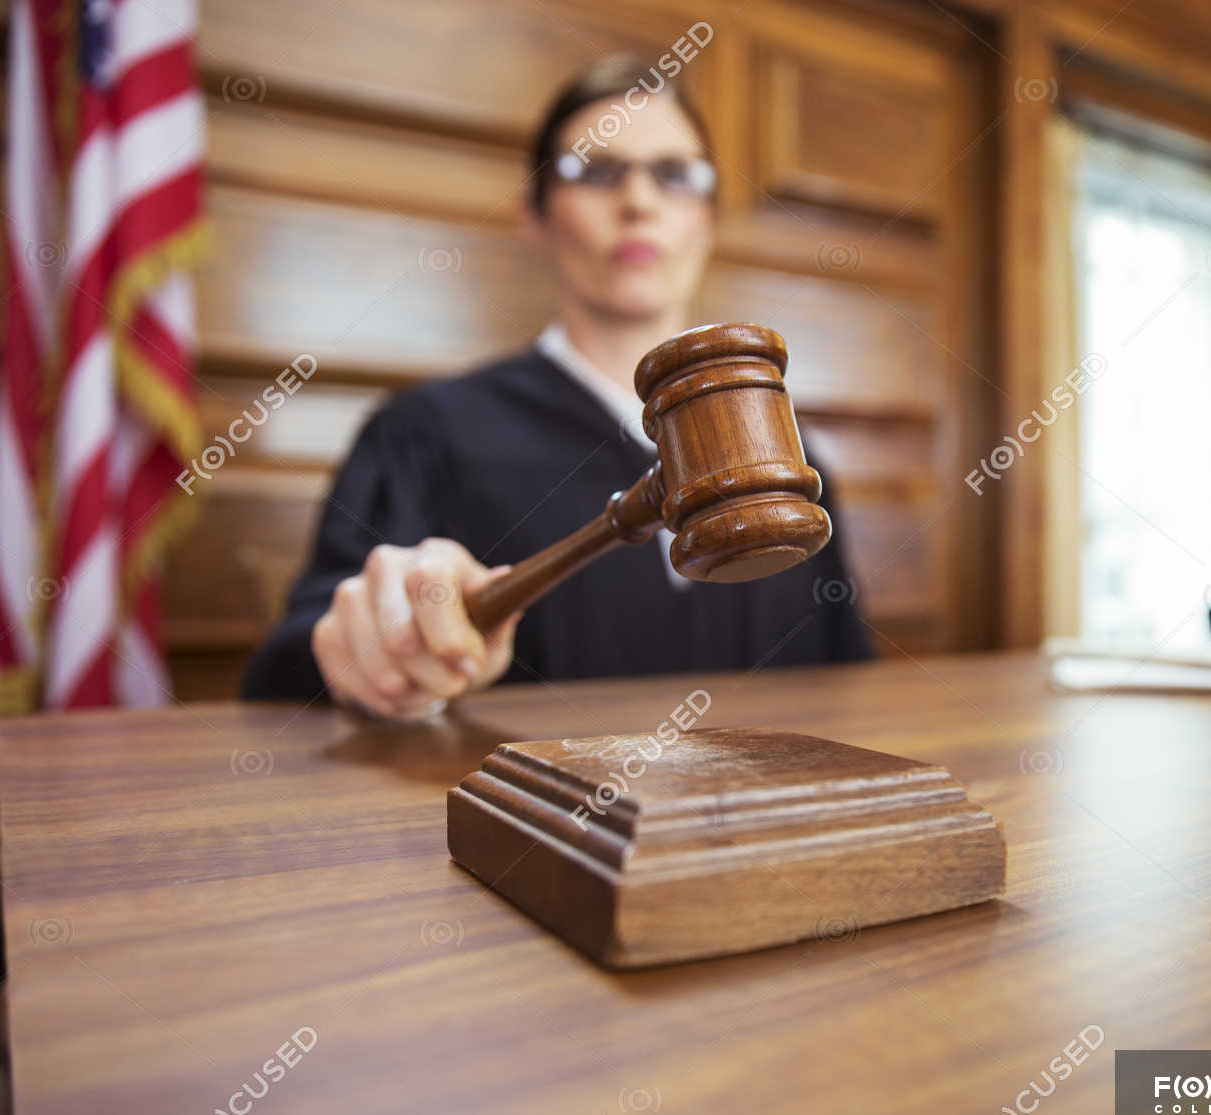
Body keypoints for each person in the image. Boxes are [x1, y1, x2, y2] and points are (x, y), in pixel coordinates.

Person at [241, 58, 873, 718]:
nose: (639, 202)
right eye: (595, 171)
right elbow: (296, 672)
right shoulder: (426, 432)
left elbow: (845, 685)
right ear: (534, 214)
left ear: (709, 218)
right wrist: (376, 639)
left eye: (675, 175)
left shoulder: (791, 463)